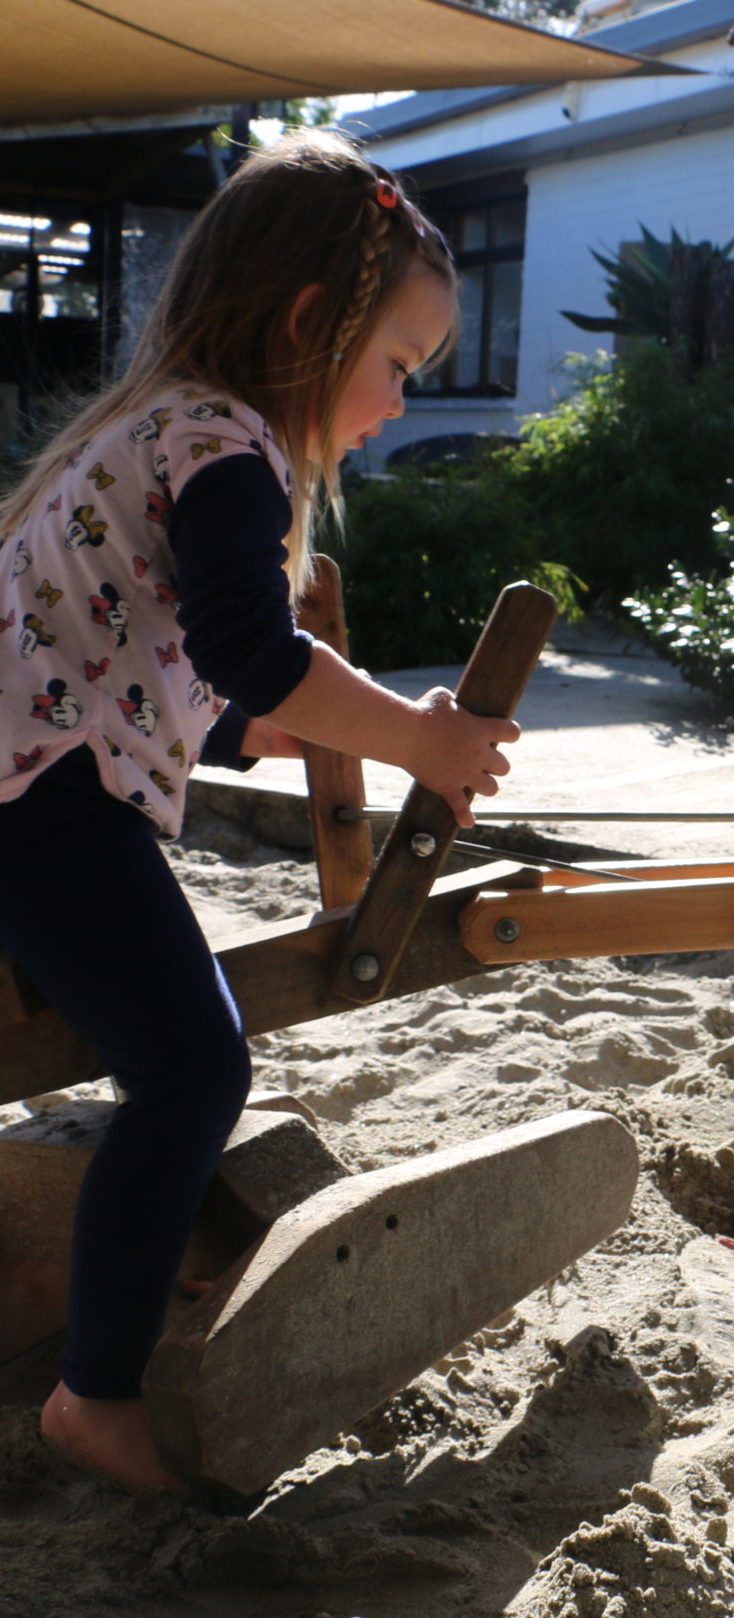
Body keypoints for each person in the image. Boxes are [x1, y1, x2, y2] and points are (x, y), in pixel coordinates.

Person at [0, 130, 520, 1489]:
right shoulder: (226, 442)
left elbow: (129, 656)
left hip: (26, 788)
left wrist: (251, 732)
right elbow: (248, 640)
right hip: (44, 815)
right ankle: (94, 1396)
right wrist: (423, 737)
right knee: (193, 1069)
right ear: (308, 323)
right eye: (398, 365)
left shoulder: (127, 429)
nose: (401, 402)